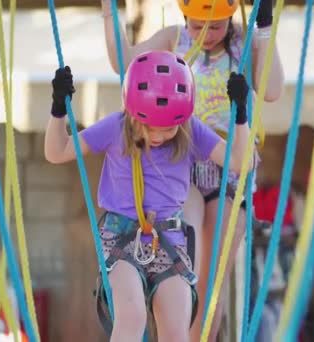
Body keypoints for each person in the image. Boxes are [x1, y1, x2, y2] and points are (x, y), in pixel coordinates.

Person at [100, 0, 284, 339]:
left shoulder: (244, 43)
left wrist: (265, 28)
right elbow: (126, 65)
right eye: (197, 26)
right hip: (184, 160)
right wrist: (110, 12)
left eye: (214, 26)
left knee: (212, 274)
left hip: (228, 165)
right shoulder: (175, 39)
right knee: (187, 259)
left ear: (229, 20)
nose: (206, 34)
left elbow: (271, 90)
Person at [44, 50, 251, 342]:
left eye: (168, 129)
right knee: (132, 317)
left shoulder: (190, 131)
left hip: (170, 239)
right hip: (121, 236)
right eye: (150, 127)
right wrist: (58, 109)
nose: (159, 136)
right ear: (132, 113)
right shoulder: (115, 127)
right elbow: (57, 152)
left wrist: (240, 115)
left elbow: (241, 161)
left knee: (178, 331)